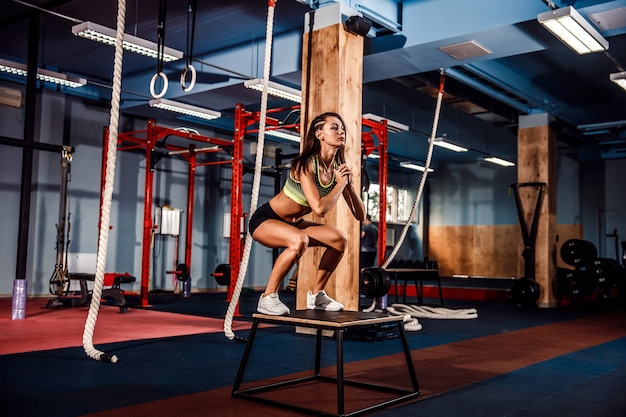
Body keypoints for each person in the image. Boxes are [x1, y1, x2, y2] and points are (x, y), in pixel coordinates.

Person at [248, 112, 366, 315]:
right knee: (299, 240)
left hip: (294, 224)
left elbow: (360, 215)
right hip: (266, 220)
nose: (341, 132)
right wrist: (339, 184)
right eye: (334, 127)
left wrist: (348, 184)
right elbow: (320, 210)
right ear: (319, 134)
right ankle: (267, 297)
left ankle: (316, 294)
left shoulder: (338, 168)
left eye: (342, 128)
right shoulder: (306, 165)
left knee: (340, 239)